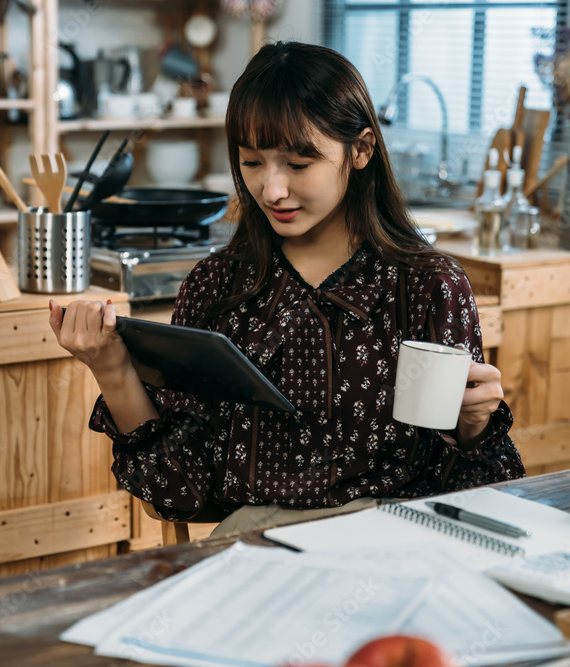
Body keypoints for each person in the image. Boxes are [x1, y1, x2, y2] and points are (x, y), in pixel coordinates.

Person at [49, 41, 524, 534]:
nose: (271, 190)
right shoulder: (216, 288)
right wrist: (113, 369)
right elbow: (177, 495)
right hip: (255, 544)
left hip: (396, 541)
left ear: (360, 150)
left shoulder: (429, 287)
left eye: (298, 166)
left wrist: (475, 428)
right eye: (252, 163)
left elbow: (485, 497)